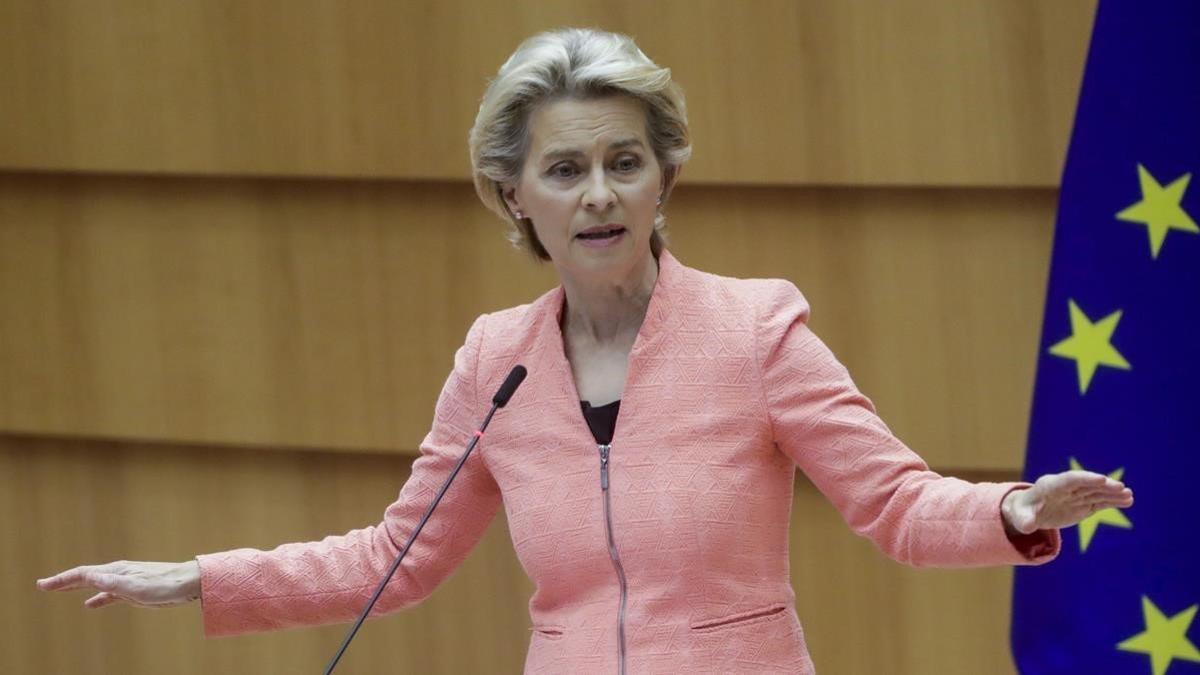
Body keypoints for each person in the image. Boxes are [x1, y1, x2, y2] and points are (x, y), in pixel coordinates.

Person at [37, 28, 1133, 673]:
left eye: (625, 161)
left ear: (666, 178)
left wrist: (1013, 512)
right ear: (513, 194)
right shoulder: (493, 362)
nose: (599, 193)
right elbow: (394, 560)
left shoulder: (756, 330)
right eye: (565, 169)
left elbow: (896, 505)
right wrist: (197, 580)